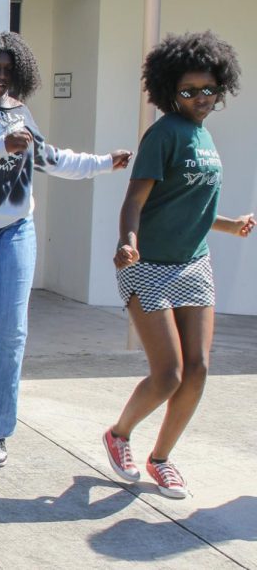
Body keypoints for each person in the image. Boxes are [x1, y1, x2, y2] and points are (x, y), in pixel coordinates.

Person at [0, 31, 132, 467]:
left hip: (14, 232)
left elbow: (50, 158)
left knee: (9, 335)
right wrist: (1, 145)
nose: (1, 76)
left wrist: (103, 164)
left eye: (8, 69)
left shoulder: (19, 110)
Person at [103, 31, 252, 499]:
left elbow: (192, 207)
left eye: (208, 89)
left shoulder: (204, 137)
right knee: (168, 372)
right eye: (189, 91)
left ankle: (161, 458)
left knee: (200, 369)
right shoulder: (163, 133)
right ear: (170, 91)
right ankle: (120, 434)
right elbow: (135, 199)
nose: (200, 98)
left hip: (194, 265)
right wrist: (128, 240)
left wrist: (233, 225)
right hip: (147, 265)